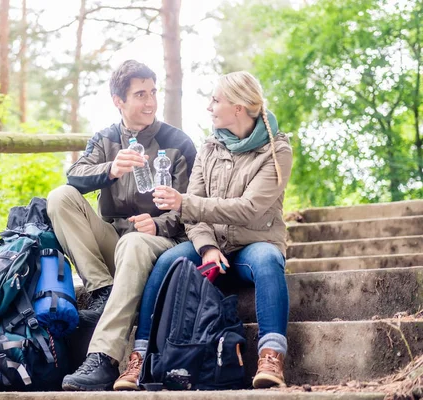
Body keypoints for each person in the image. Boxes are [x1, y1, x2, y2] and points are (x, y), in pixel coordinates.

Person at [46, 59, 197, 391]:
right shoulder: (105, 139)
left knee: (135, 242)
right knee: (60, 197)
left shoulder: (179, 143)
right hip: (115, 241)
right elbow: (75, 176)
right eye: (140, 94)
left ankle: (103, 358)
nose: (150, 102)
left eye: (153, 92)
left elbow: (194, 206)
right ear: (119, 101)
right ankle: (101, 289)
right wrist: (110, 169)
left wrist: (158, 224)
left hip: (160, 245)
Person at [150, 70, 293, 389]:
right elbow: (193, 212)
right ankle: (139, 356)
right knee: (166, 262)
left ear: (239, 108)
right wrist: (206, 247)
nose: (209, 107)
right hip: (211, 246)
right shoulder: (209, 147)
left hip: (253, 245)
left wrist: (183, 201)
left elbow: (249, 208)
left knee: (270, 262)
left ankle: (271, 355)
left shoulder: (277, 150)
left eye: (216, 100)